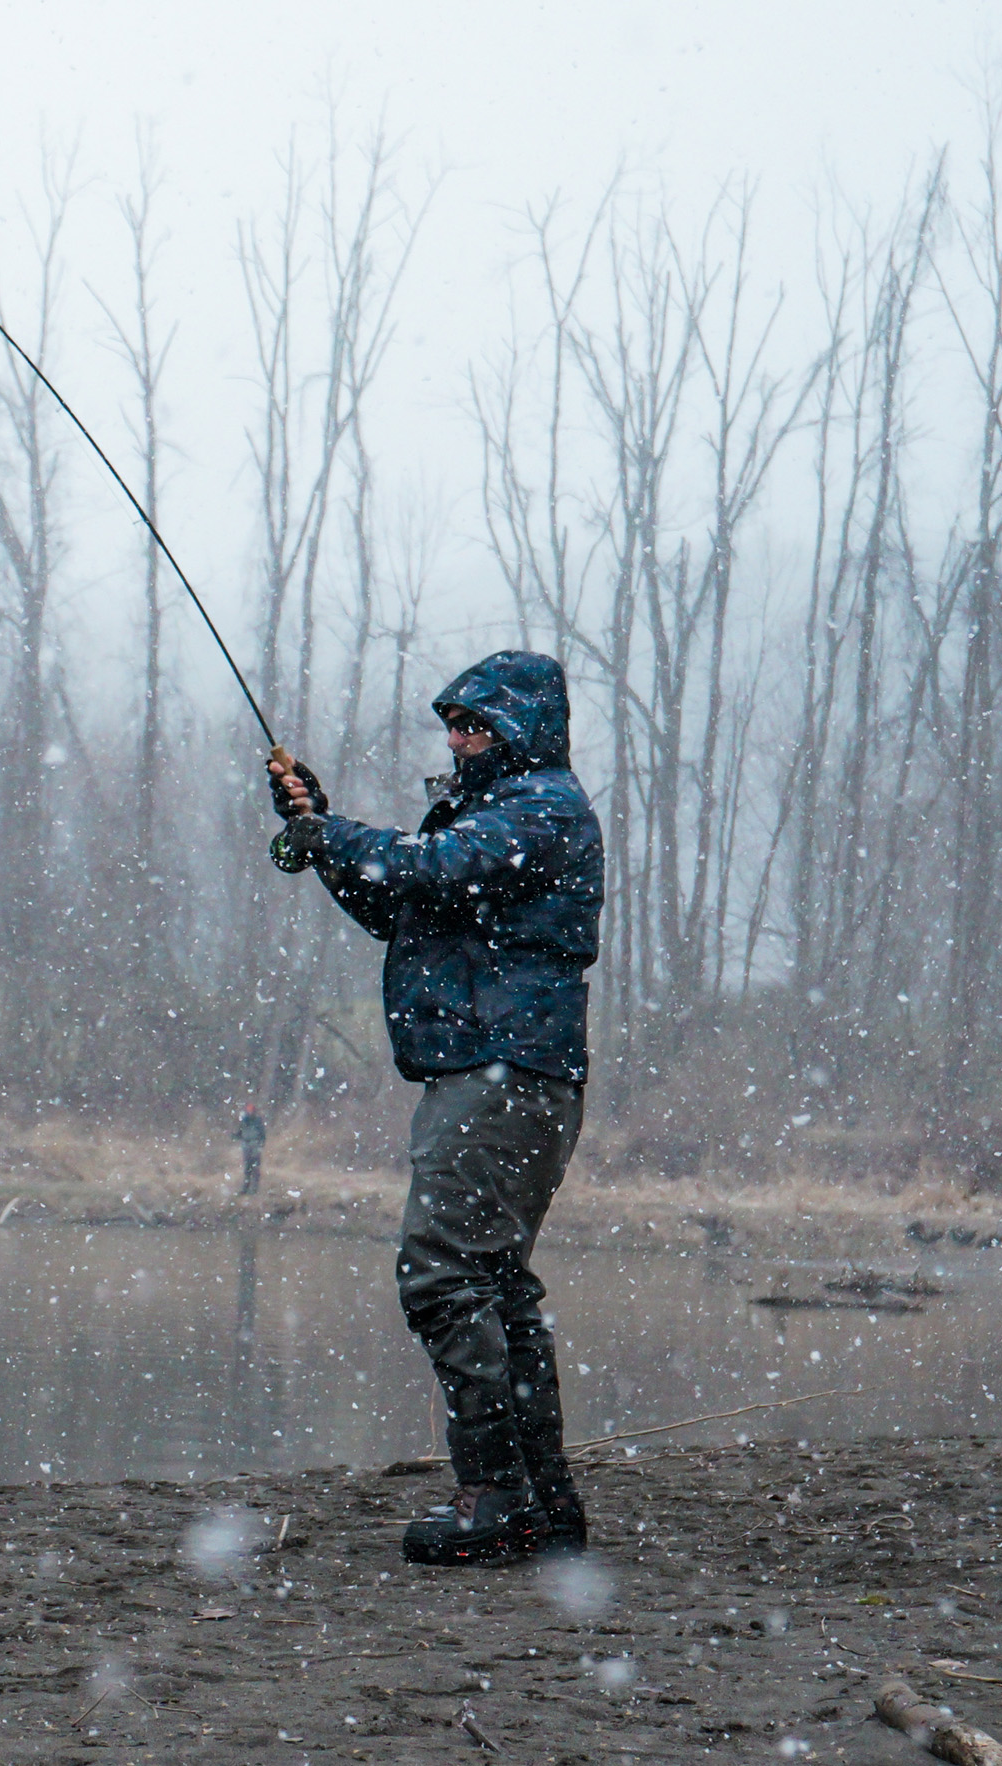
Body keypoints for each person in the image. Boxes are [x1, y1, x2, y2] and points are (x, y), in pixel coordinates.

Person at [265, 650, 602, 1567]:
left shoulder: (542, 810)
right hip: (504, 1074)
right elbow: (398, 903)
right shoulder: (499, 814)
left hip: (504, 1074)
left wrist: (333, 835)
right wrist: (323, 832)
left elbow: (435, 868)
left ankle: (496, 1496)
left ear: (520, 731)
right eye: (452, 725)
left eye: (474, 726)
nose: (457, 741)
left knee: (445, 1275)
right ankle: (541, 1504)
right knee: (493, 1283)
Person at [234, 1103, 267, 1195]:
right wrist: (234, 1136)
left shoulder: (257, 1121)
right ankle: (246, 1188)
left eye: (251, 1110)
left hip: (254, 1145)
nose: (250, 1112)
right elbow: (239, 1133)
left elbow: (262, 1134)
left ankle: (254, 1189)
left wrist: (261, 1144)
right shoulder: (244, 1120)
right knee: (247, 1168)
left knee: (255, 1168)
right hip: (246, 1145)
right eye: (248, 1110)